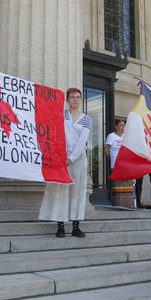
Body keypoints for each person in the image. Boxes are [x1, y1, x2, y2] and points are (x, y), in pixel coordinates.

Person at [39, 88, 92, 238]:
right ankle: (60, 226)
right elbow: (55, 134)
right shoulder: (62, 116)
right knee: (60, 191)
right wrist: (59, 155)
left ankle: (76, 226)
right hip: (61, 158)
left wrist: (72, 158)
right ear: (67, 100)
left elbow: (83, 140)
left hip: (78, 159)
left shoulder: (86, 119)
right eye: (72, 97)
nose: (75, 99)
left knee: (78, 192)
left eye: (78, 97)